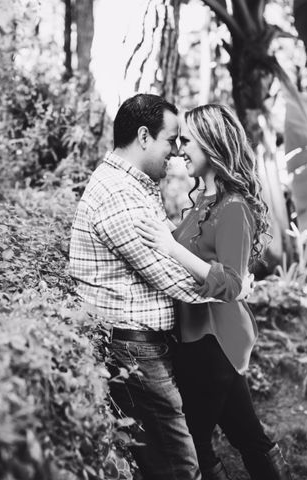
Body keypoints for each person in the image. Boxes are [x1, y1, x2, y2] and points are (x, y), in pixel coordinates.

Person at [69, 94, 236, 480]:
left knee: (170, 459)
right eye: (171, 140)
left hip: (144, 344)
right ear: (144, 136)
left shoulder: (135, 186)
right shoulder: (118, 195)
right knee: (179, 466)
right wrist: (232, 287)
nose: (177, 153)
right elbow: (172, 276)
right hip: (135, 349)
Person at [135, 104, 292, 480]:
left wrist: (169, 246)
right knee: (248, 436)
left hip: (213, 341)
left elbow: (233, 283)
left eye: (186, 141)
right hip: (202, 338)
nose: (179, 149)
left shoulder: (234, 206)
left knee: (194, 444)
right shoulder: (204, 202)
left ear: (211, 143)